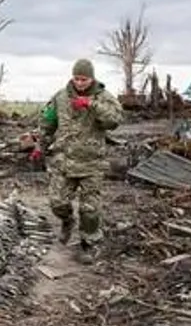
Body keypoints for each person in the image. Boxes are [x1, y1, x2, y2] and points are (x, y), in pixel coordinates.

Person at [29, 58, 123, 263]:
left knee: (89, 209)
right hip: (64, 160)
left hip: (91, 162)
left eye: (84, 79)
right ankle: (67, 221)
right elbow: (47, 124)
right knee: (57, 202)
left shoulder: (104, 97)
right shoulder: (60, 97)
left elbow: (114, 121)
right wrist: (39, 147)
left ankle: (90, 243)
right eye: (76, 78)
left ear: (92, 78)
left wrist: (91, 104)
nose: (79, 83)